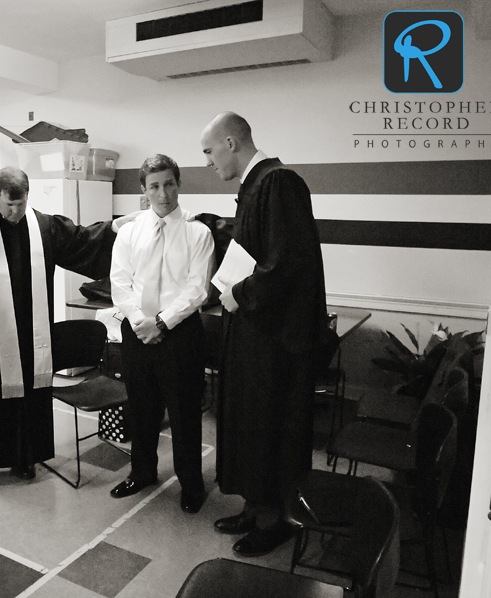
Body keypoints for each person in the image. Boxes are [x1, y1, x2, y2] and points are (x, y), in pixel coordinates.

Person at [0, 166, 134, 496]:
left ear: (28, 196)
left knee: (29, 394)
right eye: (8, 206)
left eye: (21, 204)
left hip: (32, 331)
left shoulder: (43, 225)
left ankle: (24, 457)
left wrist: (114, 228)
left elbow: (81, 241)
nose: (15, 213)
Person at [199, 112, 328, 557]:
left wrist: (238, 293)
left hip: (272, 342)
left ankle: (276, 521)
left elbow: (285, 264)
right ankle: (255, 508)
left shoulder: (278, 183)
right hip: (253, 335)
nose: (209, 162)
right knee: (249, 420)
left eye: (210, 151)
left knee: (268, 424)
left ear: (231, 142)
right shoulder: (257, 187)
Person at [109, 154, 214, 514]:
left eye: (169, 183)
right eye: (154, 186)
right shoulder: (128, 232)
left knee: (184, 413)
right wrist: (141, 322)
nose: (163, 193)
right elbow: (120, 284)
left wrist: (162, 322)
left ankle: (191, 484)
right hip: (138, 332)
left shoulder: (197, 232)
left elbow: (197, 289)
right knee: (141, 409)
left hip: (180, 334)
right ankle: (142, 472)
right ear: (144, 190)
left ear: (178, 184)